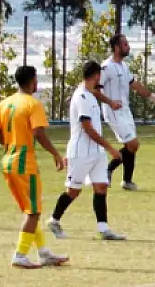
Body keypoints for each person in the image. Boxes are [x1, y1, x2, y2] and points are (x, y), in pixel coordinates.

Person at [0, 65, 70, 270]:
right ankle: (20, 254)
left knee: (30, 210)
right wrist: (55, 153)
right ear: (32, 81)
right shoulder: (32, 104)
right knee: (33, 211)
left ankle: (44, 253)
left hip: (8, 161)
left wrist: (11, 147)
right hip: (25, 164)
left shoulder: (5, 103)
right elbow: (39, 133)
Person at [49, 61, 126, 241]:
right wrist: (110, 148)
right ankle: (54, 220)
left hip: (96, 151)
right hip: (82, 151)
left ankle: (104, 229)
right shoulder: (82, 96)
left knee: (101, 186)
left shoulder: (91, 94)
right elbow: (87, 128)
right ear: (97, 76)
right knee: (73, 191)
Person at [99, 33, 155, 192]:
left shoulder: (124, 66)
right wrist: (110, 102)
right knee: (132, 143)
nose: (128, 47)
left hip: (125, 111)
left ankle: (127, 181)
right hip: (113, 112)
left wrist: (153, 98)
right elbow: (96, 89)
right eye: (125, 44)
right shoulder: (106, 67)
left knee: (132, 146)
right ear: (117, 47)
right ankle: (108, 170)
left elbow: (135, 85)